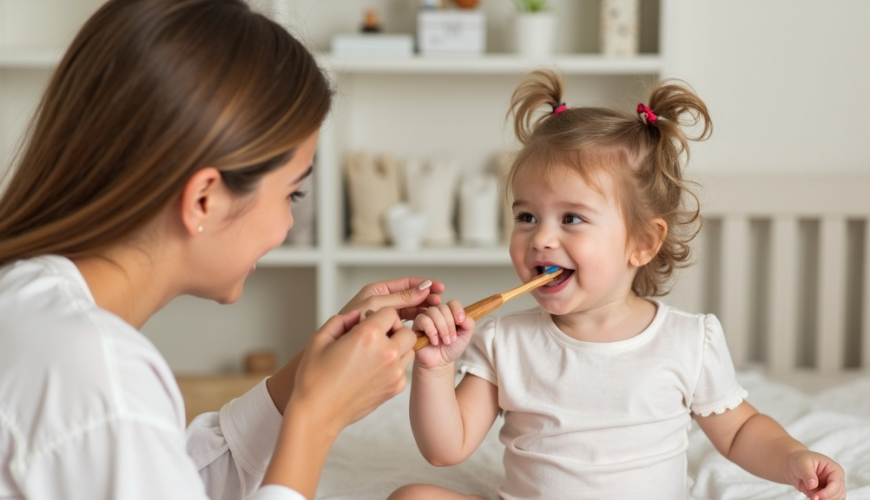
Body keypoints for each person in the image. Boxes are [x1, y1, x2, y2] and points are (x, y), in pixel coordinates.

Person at [0, 1, 448, 499]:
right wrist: (316, 419)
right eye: (291, 194)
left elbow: (167, 478)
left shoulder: (31, 300)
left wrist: (303, 378)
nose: (286, 225)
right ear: (204, 200)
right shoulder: (97, 375)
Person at [389, 70, 846, 500]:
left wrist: (792, 458)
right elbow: (445, 449)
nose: (541, 238)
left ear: (643, 242)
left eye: (571, 218)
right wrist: (433, 368)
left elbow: (741, 432)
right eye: (526, 216)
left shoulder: (688, 341)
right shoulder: (504, 341)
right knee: (411, 497)